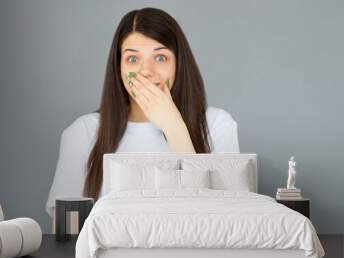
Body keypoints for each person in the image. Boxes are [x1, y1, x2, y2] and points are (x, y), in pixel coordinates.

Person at [45, 7, 240, 218]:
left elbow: (226, 216)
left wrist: (174, 127)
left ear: (178, 64)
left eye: (160, 58)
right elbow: (66, 222)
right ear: (118, 68)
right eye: (132, 59)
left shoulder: (217, 124)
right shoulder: (84, 131)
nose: (146, 71)